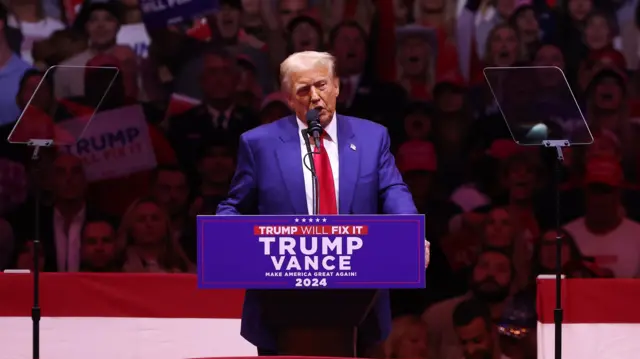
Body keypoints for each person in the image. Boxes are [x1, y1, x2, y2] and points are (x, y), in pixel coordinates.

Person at [216, 50, 429, 356]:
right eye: (303, 90)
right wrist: (226, 236)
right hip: (282, 302)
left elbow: (393, 190)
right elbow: (234, 205)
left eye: (322, 85)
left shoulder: (372, 137)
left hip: (360, 301)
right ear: (289, 99)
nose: (315, 97)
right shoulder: (259, 143)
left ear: (337, 87)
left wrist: (411, 233)